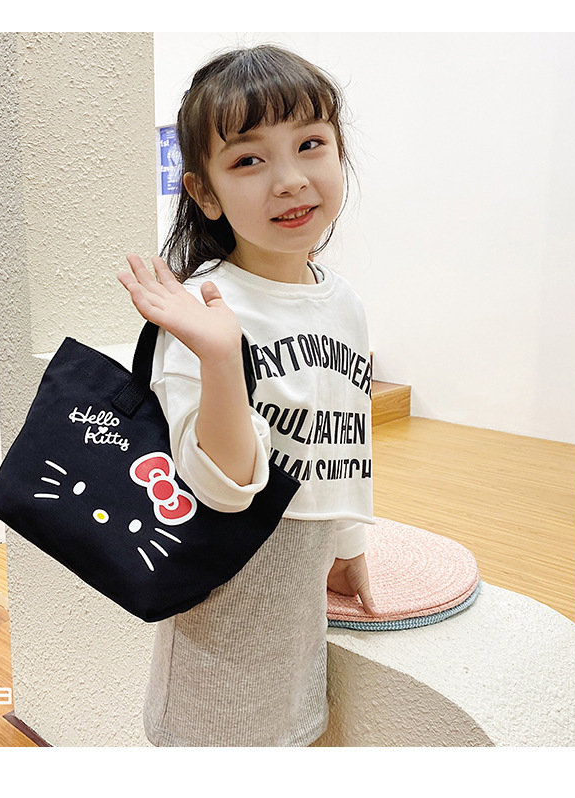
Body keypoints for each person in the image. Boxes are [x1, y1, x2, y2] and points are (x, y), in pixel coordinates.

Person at [118, 43, 376, 747]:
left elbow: (343, 440)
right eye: (248, 160)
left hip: (300, 614)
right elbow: (222, 489)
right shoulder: (205, 307)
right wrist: (219, 356)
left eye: (310, 144)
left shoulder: (344, 302)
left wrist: (348, 546)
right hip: (221, 622)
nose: (290, 180)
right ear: (205, 193)